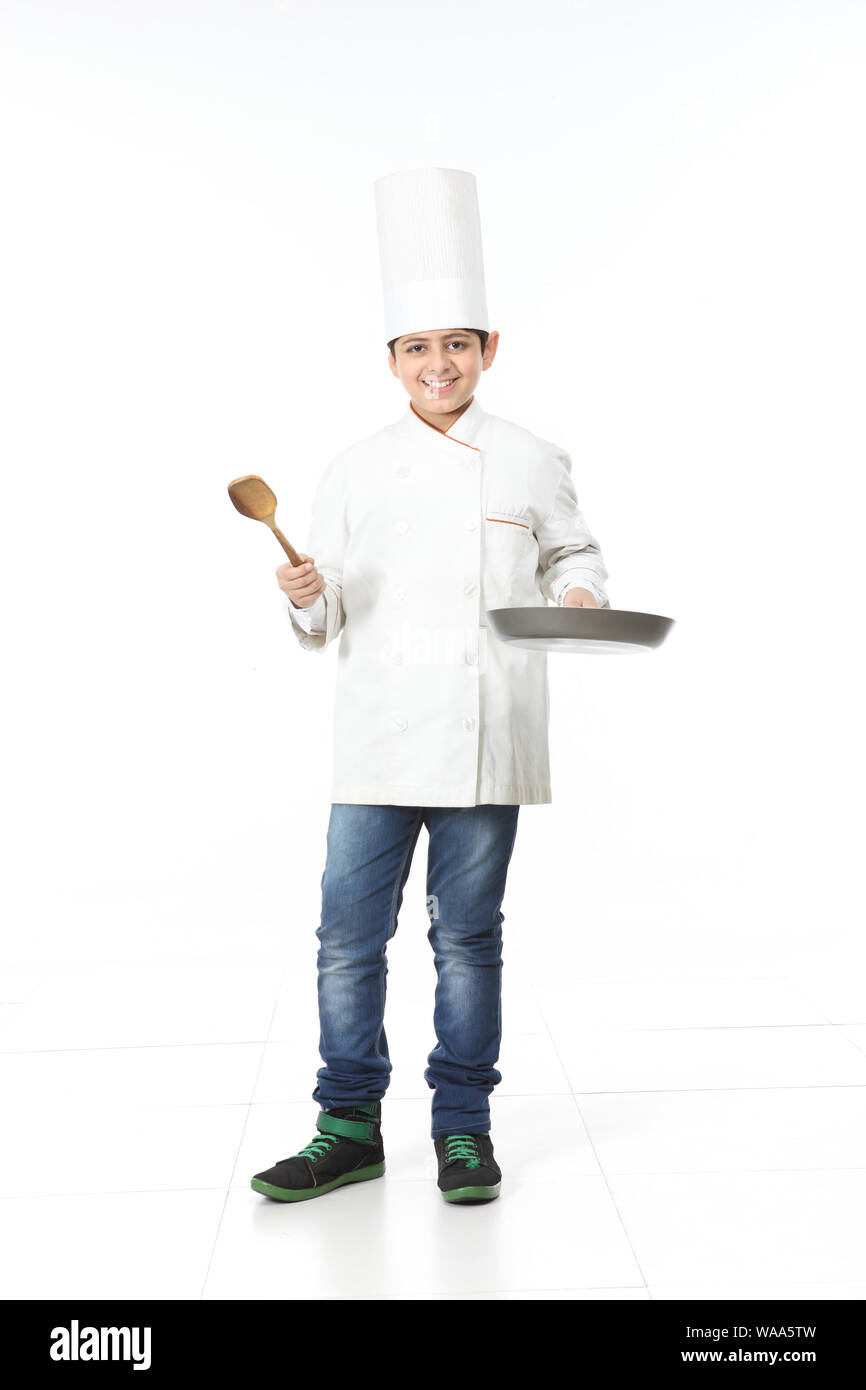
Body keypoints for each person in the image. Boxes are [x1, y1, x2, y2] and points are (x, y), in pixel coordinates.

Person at [251, 170, 610, 1206]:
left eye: (457, 342)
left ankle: (461, 1126)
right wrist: (300, 590)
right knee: (345, 939)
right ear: (391, 362)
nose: (437, 363)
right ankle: (346, 1124)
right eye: (416, 347)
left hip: (486, 725)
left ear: (487, 350)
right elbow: (320, 622)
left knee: (465, 939)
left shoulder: (531, 458)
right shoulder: (352, 470)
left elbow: (575, 555)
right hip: (375, 735)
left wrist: (578, 592)